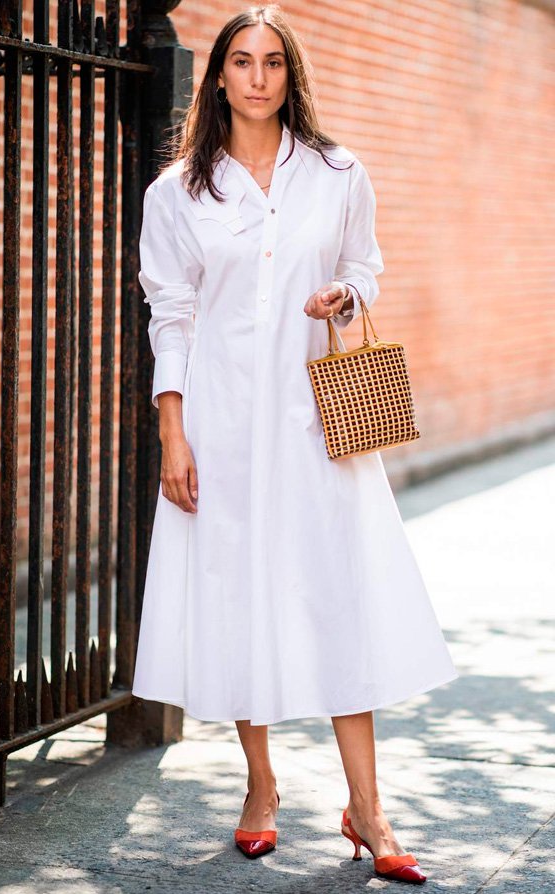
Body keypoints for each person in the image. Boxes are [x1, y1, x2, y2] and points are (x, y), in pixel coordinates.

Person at [131, 3, 458, 884]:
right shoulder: (179, 194)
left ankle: (370, 810)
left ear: (291, 74)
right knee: (239, 594)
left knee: (338, 592)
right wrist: (173, 432)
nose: (260, 77)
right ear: (219, 77)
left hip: (319, 424)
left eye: (275, 61)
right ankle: (261, 788)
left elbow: (364, 266)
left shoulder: (339, 172)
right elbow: (173, 315)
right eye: (242, 61)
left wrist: (342, 298)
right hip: (222, 420)